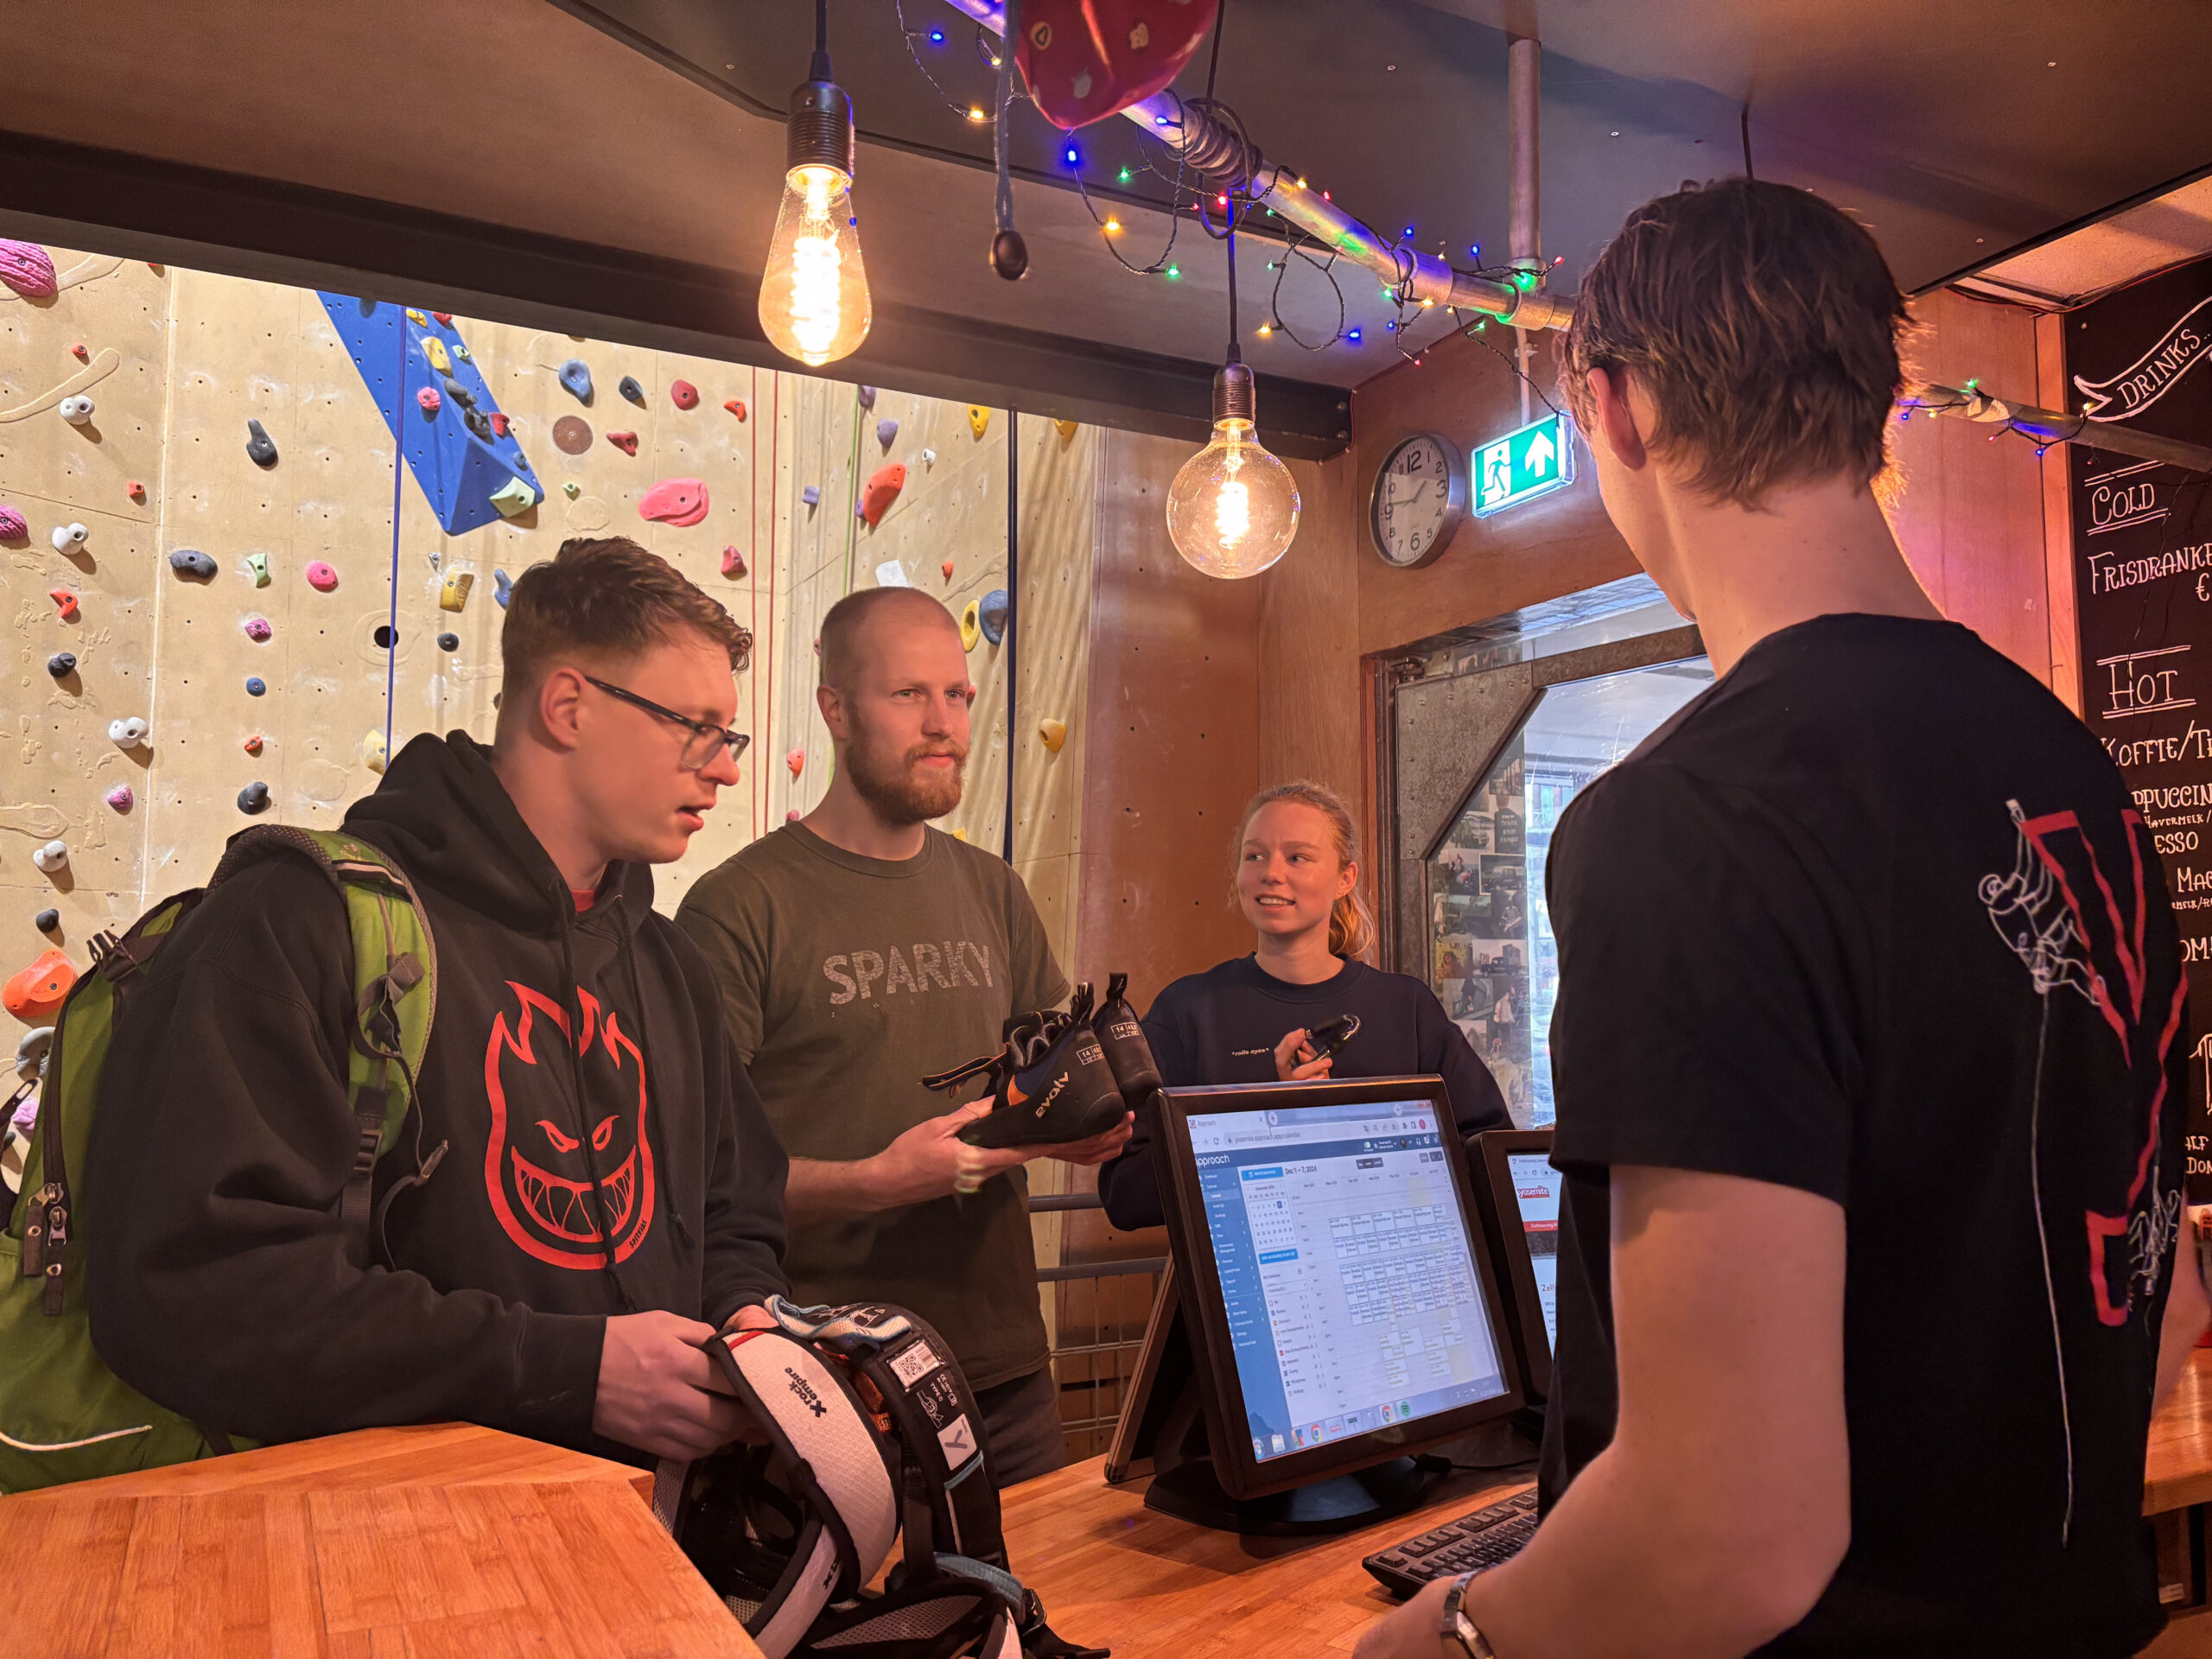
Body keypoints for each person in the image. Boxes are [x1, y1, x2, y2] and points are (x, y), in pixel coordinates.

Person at [1360, 179, 2209, 1659]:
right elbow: (2163, 1287)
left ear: (1611, 408)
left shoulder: (1686, 822)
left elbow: (1726, 1530)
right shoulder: (2079, 774)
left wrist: (1453, 1639)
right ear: (1878, 407)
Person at [88, 537, 791, 1468]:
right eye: (695, 727)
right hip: (384, 1565)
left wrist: (745, 1323)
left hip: (647, 1553)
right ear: (569, 706)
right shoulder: (302, 921)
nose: (726, 769)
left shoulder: (665, 962)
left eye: (729, 736)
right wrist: (566, 1368)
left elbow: (733, 1208)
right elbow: (191, 1290)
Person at [675, 586, 1132, 1486]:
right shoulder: (738, 908)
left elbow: (1027, 1096)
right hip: (826, 1382)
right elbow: (693, 1186)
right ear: (835, 709)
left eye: (957, 696)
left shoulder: (992, 889)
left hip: (1003, 1371)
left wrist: (1081, 1124)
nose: (943, 725)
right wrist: (877, 1184)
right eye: (908, 696)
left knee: (1028, 1619)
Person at [1096, 780, 1509, 1232]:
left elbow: (1491, 1153)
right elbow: (1126, 1195)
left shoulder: (1406, 1008)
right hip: (1242, 1293)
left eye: (1297, 857)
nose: (1271, 873)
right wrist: (1265, 1120)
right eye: (1254, 855)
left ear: (1345, 878)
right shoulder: (1188, 1010)